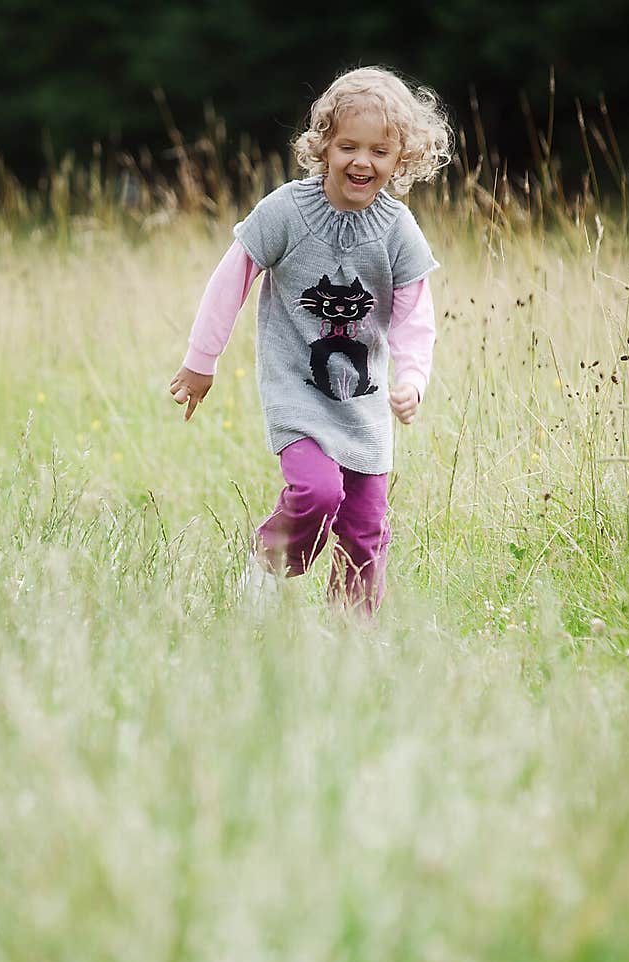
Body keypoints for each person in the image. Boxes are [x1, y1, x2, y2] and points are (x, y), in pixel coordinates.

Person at [169, 66, 453, 619]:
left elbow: (417, 316)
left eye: (380, 151)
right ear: (324, 145)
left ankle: (349, 638)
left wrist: (412, 380)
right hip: (298, 397)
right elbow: (231, 280)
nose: (362, 161)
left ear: (403, 160)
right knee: (319, 495)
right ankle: (268, 564)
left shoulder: (399, 230)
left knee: (366, 528)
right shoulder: (286, 212)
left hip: (364, 405)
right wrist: (201, 363)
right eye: (348, 145)